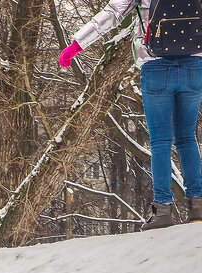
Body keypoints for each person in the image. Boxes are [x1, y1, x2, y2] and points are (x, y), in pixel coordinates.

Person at [61, 1, 202, 229]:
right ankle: (197, 206)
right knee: (187, 137)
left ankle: (163, 210)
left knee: (160, 141)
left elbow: (112, 13)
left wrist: (77, 45)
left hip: (156, 66)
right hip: (194, 65)